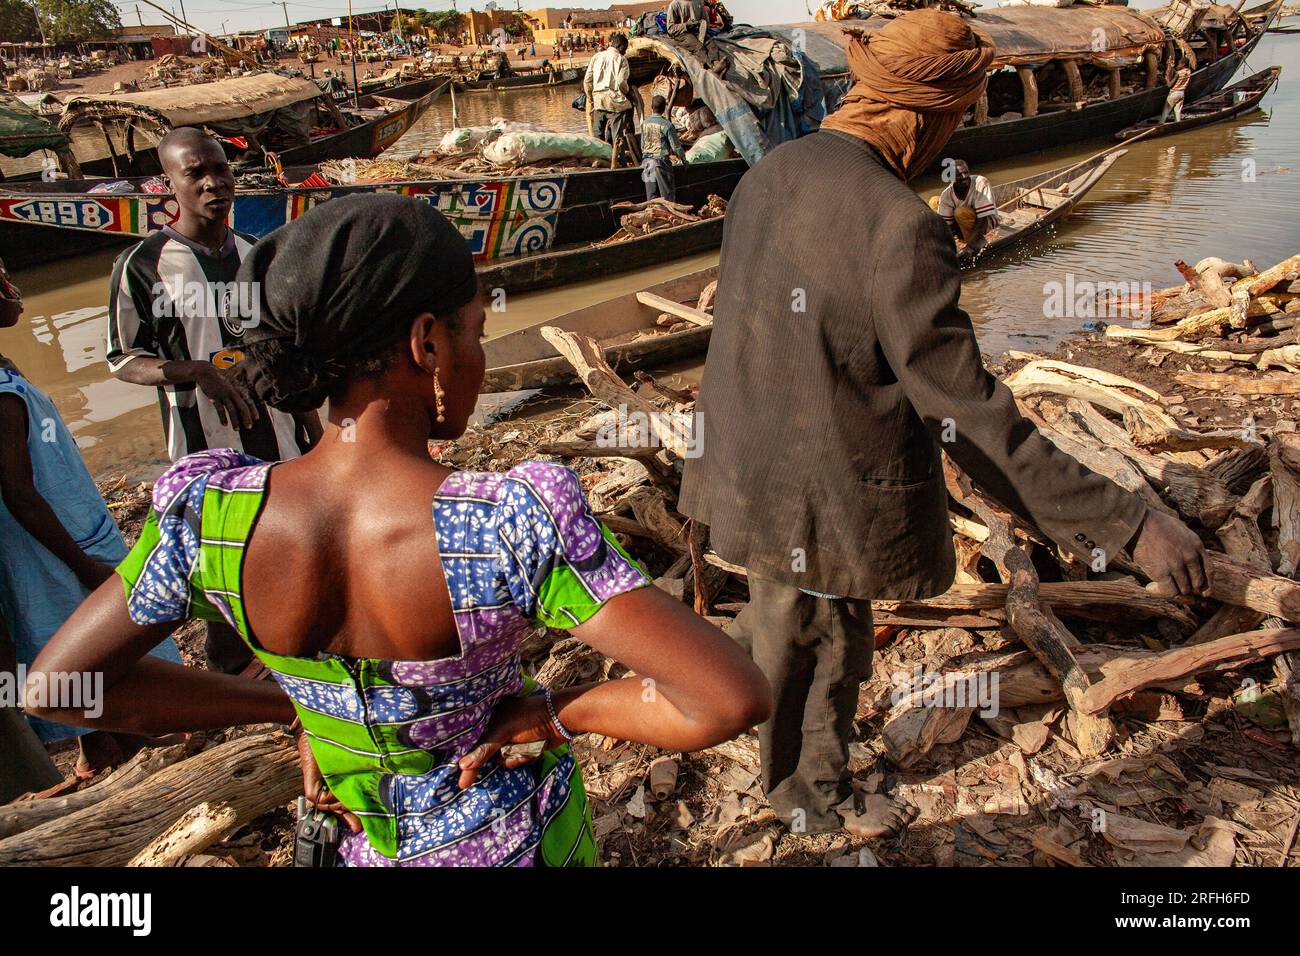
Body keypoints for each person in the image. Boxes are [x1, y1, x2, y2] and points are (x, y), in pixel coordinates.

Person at [28, 194, 771, 867]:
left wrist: (300, 708)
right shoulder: (504, 523)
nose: (477, 354)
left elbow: (58, 687)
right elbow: (728, 698)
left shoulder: (206, 513)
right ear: (426, 344)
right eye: (475, 330)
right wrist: (550, 713)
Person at [678, 9, 1210, 839]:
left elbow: (762, 325)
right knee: (824, 643)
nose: (952, 136)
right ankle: (811, 807)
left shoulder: (771, 170)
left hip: (745, 456)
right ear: (924, 113)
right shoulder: (898, 224)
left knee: (795, 623)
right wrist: (1130, 525)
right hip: (821, 481)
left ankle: (773, 751)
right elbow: (975, 418)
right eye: (957, 118)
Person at [106, 127, 322, 677]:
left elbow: (289, 351)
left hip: (280, 440)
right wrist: (193, 371)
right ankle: (236, 700)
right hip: (204, 446)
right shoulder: (142, 266)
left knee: (294, 558)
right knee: (224, 577)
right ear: (168, 184)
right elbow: (122, 359)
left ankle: (302, 677)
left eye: (219, 170)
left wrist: (314, 425)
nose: (211, 183)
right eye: (194, 173)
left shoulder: (259, 256)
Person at [0, 257, 183, 782]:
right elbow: (19, 493)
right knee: (91, 636)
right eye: (0, 279)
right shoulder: (2, 397)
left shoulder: (8, 371)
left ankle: (101, 746)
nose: (12, 287)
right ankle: (123, 743)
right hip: (50, 544)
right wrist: (81, 562)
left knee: (67, 636)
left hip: (62, 530)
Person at [583, 32, 638, 166]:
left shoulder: (596, 57)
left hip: (598, 100)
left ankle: (599, 161)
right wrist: (625, 93)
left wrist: (591, 97)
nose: (625, 52)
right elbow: (620, 83)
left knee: (597, 135)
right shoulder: (621, 60)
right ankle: (621, 165)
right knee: (617, 137)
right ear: (619, 46)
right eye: (624, 49)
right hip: (614, 101)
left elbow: (587, 81)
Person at [932, 159, 998, 252]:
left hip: (986, 224)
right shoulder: (946, 194)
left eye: (966, 173)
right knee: (934, 201)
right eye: (959, 175)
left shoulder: (981, 182)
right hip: (961, 224)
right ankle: (961, 237)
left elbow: (983, 219)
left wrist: (970, 245)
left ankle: (974, 241)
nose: (964, 177)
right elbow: (947, 226)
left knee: (960, 212)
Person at [641, 94, 686, 201]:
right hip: (661, 164)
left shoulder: (644, 124)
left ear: (651, 107)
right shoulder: (667, 125)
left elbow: (642, 145)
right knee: (667, 199)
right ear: (664, 108)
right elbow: (676, 147)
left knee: (651, 200)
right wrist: (684, 159)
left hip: (647, 164)